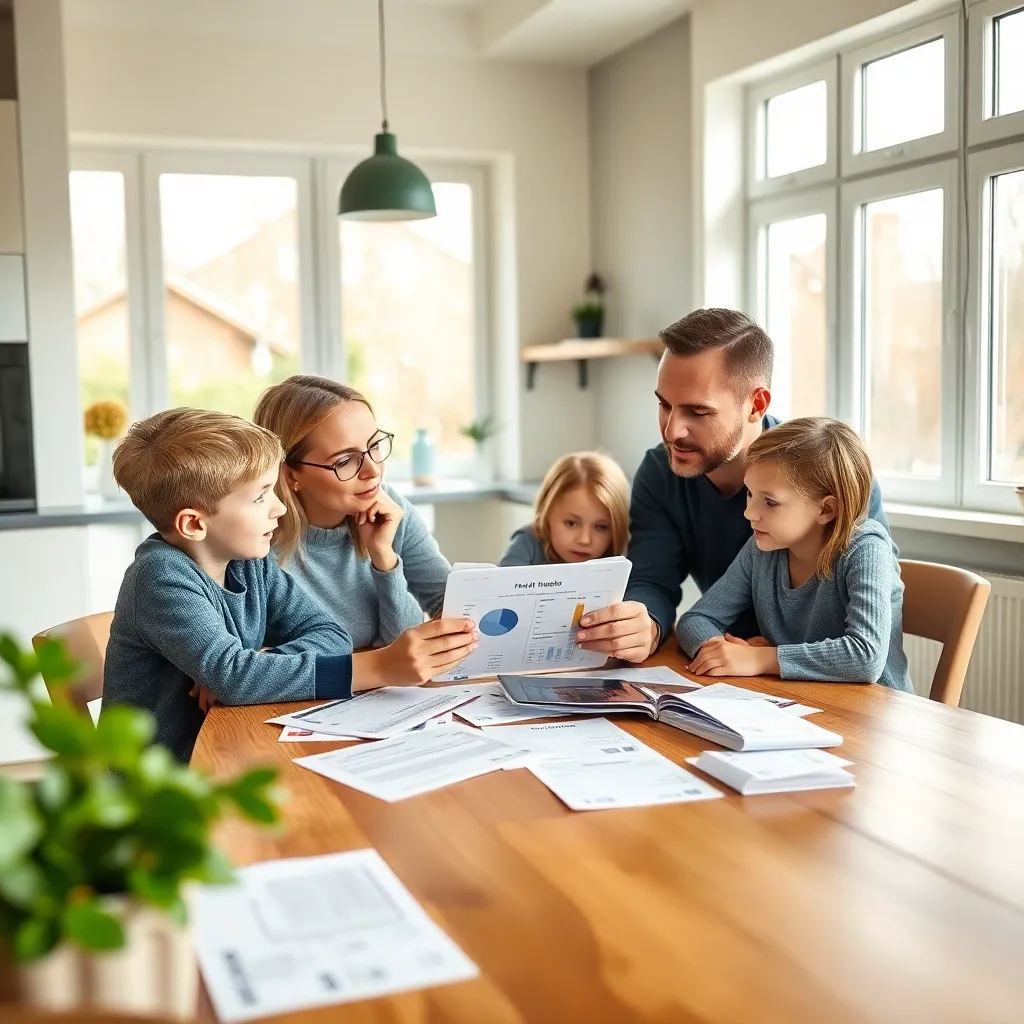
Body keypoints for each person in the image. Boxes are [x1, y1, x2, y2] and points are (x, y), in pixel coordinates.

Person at [573, 308, 892, 664]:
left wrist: (768, 658)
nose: (672, 431)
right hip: (736, 685)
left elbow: (864, 647)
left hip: (843, 701)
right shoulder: (658, 473)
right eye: (664, 405)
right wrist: (645, 623)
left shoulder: (833, 476)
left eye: (697, 412)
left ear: (756, 404)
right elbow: (654, 580)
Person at [103, 409, 364, 764]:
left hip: (223, 755)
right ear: (194, 523)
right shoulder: (159, 576)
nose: (280, 509)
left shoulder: (250, 564)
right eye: (260, 497)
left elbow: (331, 633)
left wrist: (263, 663)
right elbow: (235, 679)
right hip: (154, 794)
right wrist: (242, 675)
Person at [253, 375, 477, 682]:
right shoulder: (254, 541)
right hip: (295, 703)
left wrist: (384, 558)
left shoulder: (388, 507)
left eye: (374, 446)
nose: (373, 471)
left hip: (384, 698)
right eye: (345, 461)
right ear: (291, 474)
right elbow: (250, 666)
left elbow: (413, 645)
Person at [676, 418, 911, 690]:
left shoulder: (866, 549)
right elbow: (696, 619)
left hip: (872, 716)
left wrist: (762, 659)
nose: (749, 513)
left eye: (770, 502)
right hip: (801, 704)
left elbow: (866, 656)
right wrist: (720, 652)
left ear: (826, 510)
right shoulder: (764, 547)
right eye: (750, 494)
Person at [498, 451, 629, 566]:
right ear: (546, 512)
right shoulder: (527, 544)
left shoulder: (624, 560)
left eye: (601, 527)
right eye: (571, 524)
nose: (584, 540)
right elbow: (501, 590)